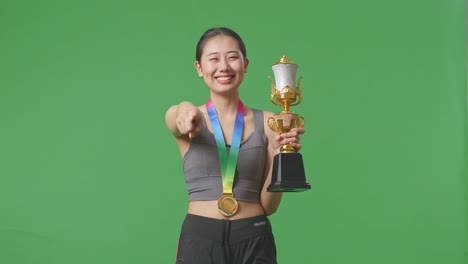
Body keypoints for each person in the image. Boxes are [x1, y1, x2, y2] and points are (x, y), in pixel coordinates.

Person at [165, 27, 305, 264]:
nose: (224, 67)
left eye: (232, 57)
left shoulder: (272, 123)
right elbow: (175, 118)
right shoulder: (187, 117)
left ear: (245, 64)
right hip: (201, 238)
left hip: (254, 234)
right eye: (214, 59)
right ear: (199, 68)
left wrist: (282, 152)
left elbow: (268, 206)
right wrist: (184, 108)